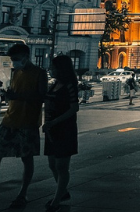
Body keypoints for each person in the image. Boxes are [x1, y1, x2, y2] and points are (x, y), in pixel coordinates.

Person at [0, 43, 47, 209]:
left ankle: (23, 194)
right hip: (10, 120)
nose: (14, 62)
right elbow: (16, 93)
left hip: (28, 122)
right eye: (12, 59)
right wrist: (9, 95)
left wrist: (18, 96)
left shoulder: (39, 73)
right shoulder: (15, 73)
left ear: (26, 56)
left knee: (26, 158)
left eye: (16, 59)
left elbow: (41, 96)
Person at [43, 55, 80, 212]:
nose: (51, 69)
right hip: (51, 130)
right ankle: (62, 192)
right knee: (52, 164)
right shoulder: (54, 84)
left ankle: (57, 201)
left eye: (53, 67)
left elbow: (74, 108)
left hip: (65, 130)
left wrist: (55, 121)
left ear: (61, 68)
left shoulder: (70, 85)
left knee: (61, 166)